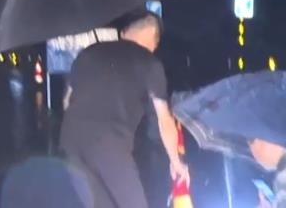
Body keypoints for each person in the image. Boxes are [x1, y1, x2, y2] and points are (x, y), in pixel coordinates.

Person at [59, 11, 189, 208]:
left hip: (71, 142)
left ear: (125, 32)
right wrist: (176, 162)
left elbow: (67, 101)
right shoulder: (149, 62)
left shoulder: (89, 52)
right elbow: (165, 120)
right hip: (110, 143)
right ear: (154, 41)